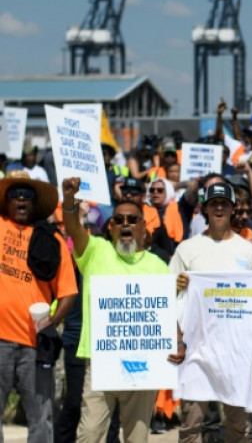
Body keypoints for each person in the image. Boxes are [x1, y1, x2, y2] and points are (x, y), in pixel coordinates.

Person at [60, 178, 171, 443]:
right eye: (119, 220)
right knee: (89, 434)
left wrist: (175, 342)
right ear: (110, 227)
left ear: (144, 227)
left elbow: (168, 315)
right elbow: (74, 228)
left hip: (143, 364)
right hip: (100, 363)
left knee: (137, 436)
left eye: (132, 220)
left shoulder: (159, 266)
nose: (125, 224)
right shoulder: (95, 251)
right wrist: (68, 201)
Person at [169, 182, 252, 443]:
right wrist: (174, 287)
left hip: (236, 350)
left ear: (232, 209)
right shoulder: (187, 249)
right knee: (191, 423)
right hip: (198, 348)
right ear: (204, 209)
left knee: (237, 425)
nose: (219, 208)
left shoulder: (247, 250)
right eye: (213, 204)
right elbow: (167, 297)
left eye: (224, 204)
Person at [0, 171, 77, 443]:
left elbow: (68, 292)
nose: (21, 199)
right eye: (15, 194)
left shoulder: (52, 239)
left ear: (35, 203)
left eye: (28, 195)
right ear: (6, 201)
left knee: (41, 418)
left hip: (36, 342)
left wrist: (52, 322)